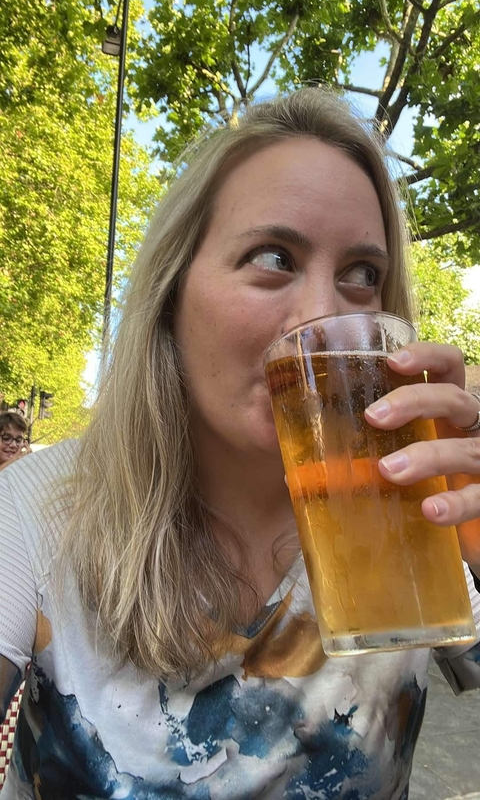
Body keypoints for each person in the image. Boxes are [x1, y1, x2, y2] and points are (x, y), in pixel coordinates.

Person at [0, 88, 479, 800]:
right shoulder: (40, 508)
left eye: (362, 275)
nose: (322, 317)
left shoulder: (413, 505)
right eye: (273, 257)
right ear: (171, 299)